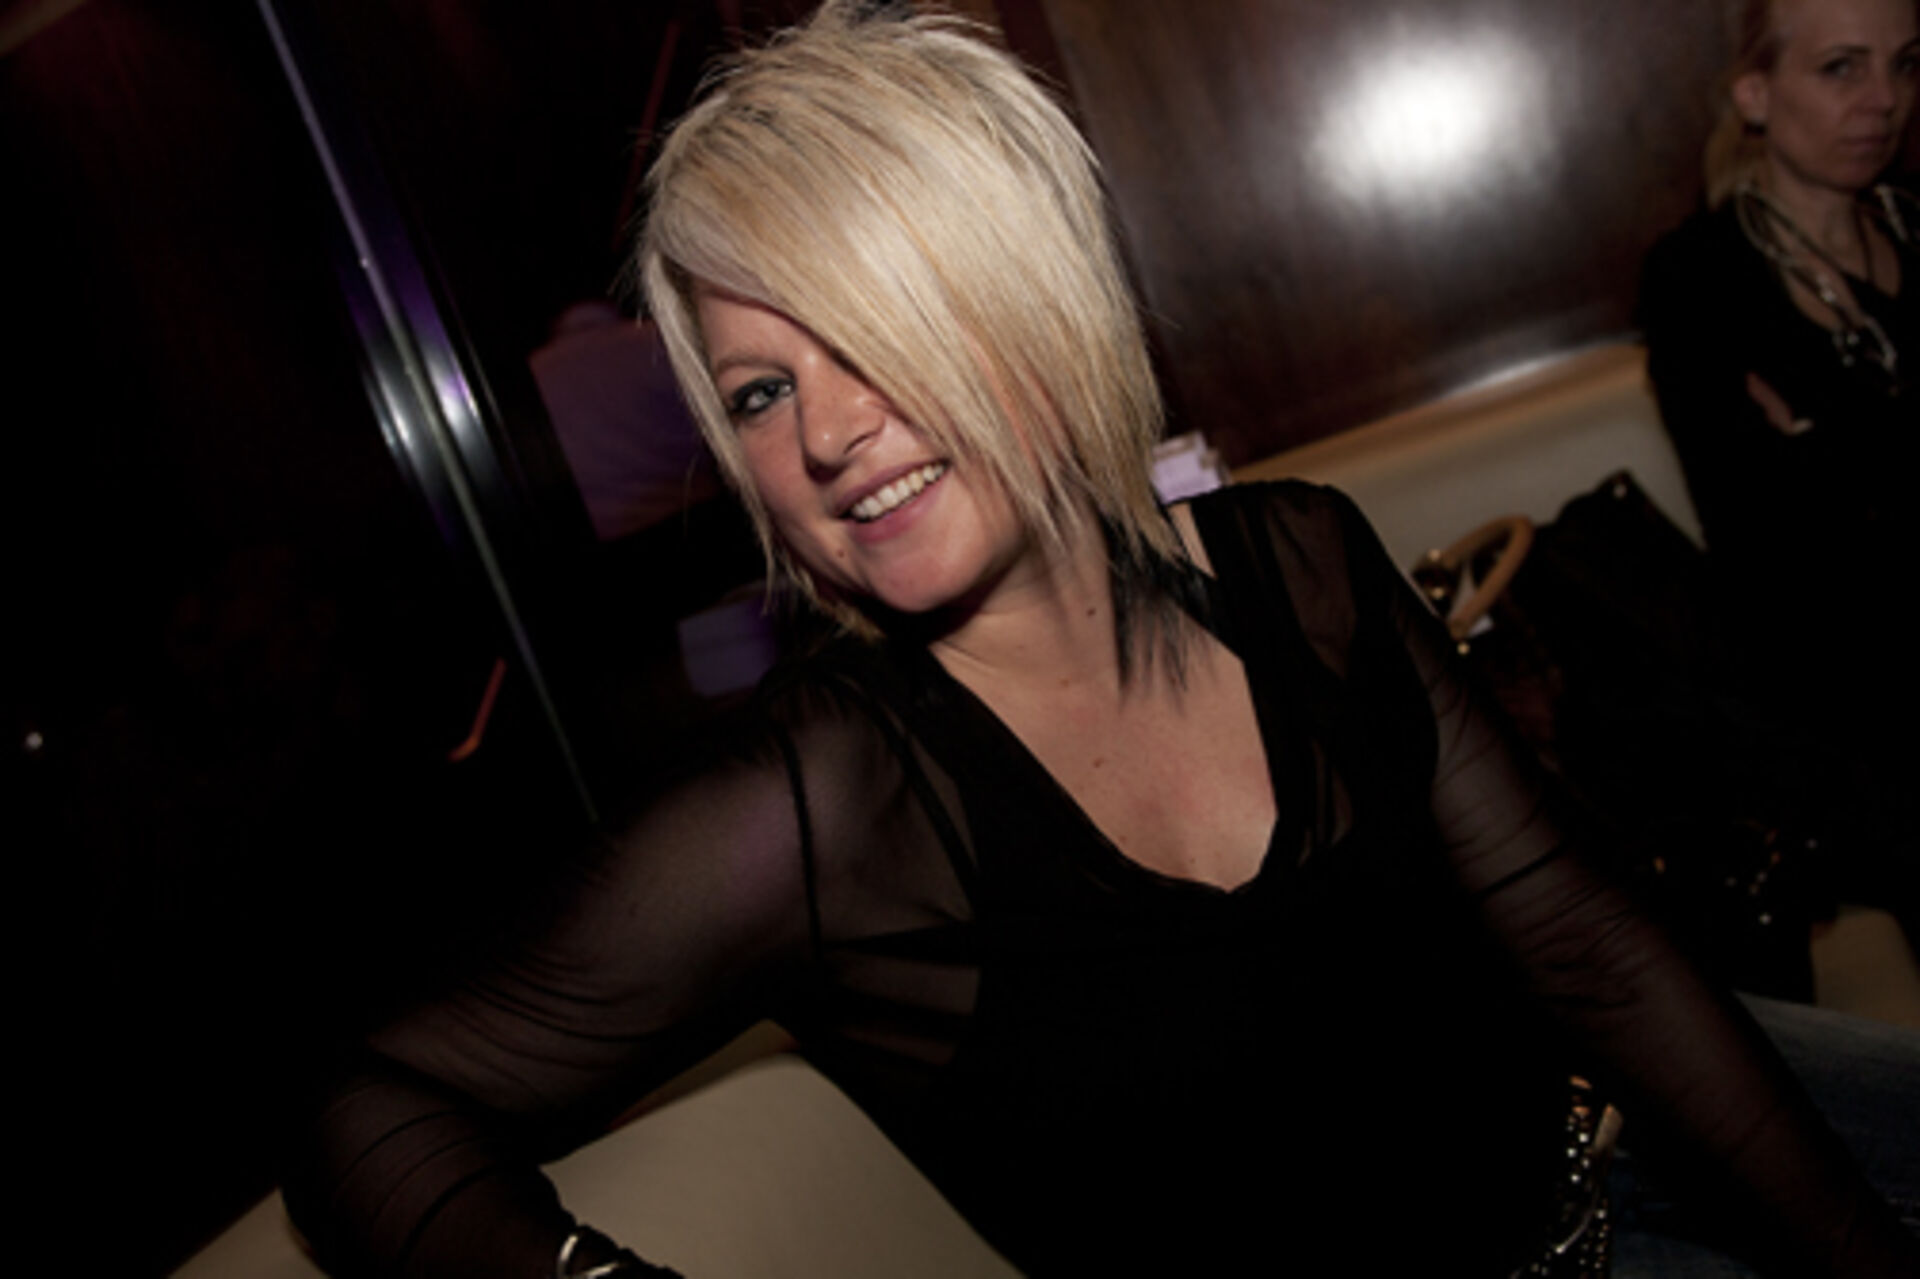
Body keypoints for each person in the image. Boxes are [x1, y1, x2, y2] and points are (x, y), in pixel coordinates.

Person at [283, 5, 1920, 1276]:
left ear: (1031, 298)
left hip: (1607, 1131)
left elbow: (1582, 940)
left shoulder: (1300, 562)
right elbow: (373, 1108)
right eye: (762, 390)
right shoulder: (828, 803)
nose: (828, 433)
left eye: (874, 333)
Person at [1637, 0, 1919, 936]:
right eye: (1842, 68)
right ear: (1755, 94)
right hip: (1850, 706)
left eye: (1905, 64)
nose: (1884, 100)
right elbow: (1771, 550)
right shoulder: (1700, 278)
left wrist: (1819, 441)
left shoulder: (1913, 224)